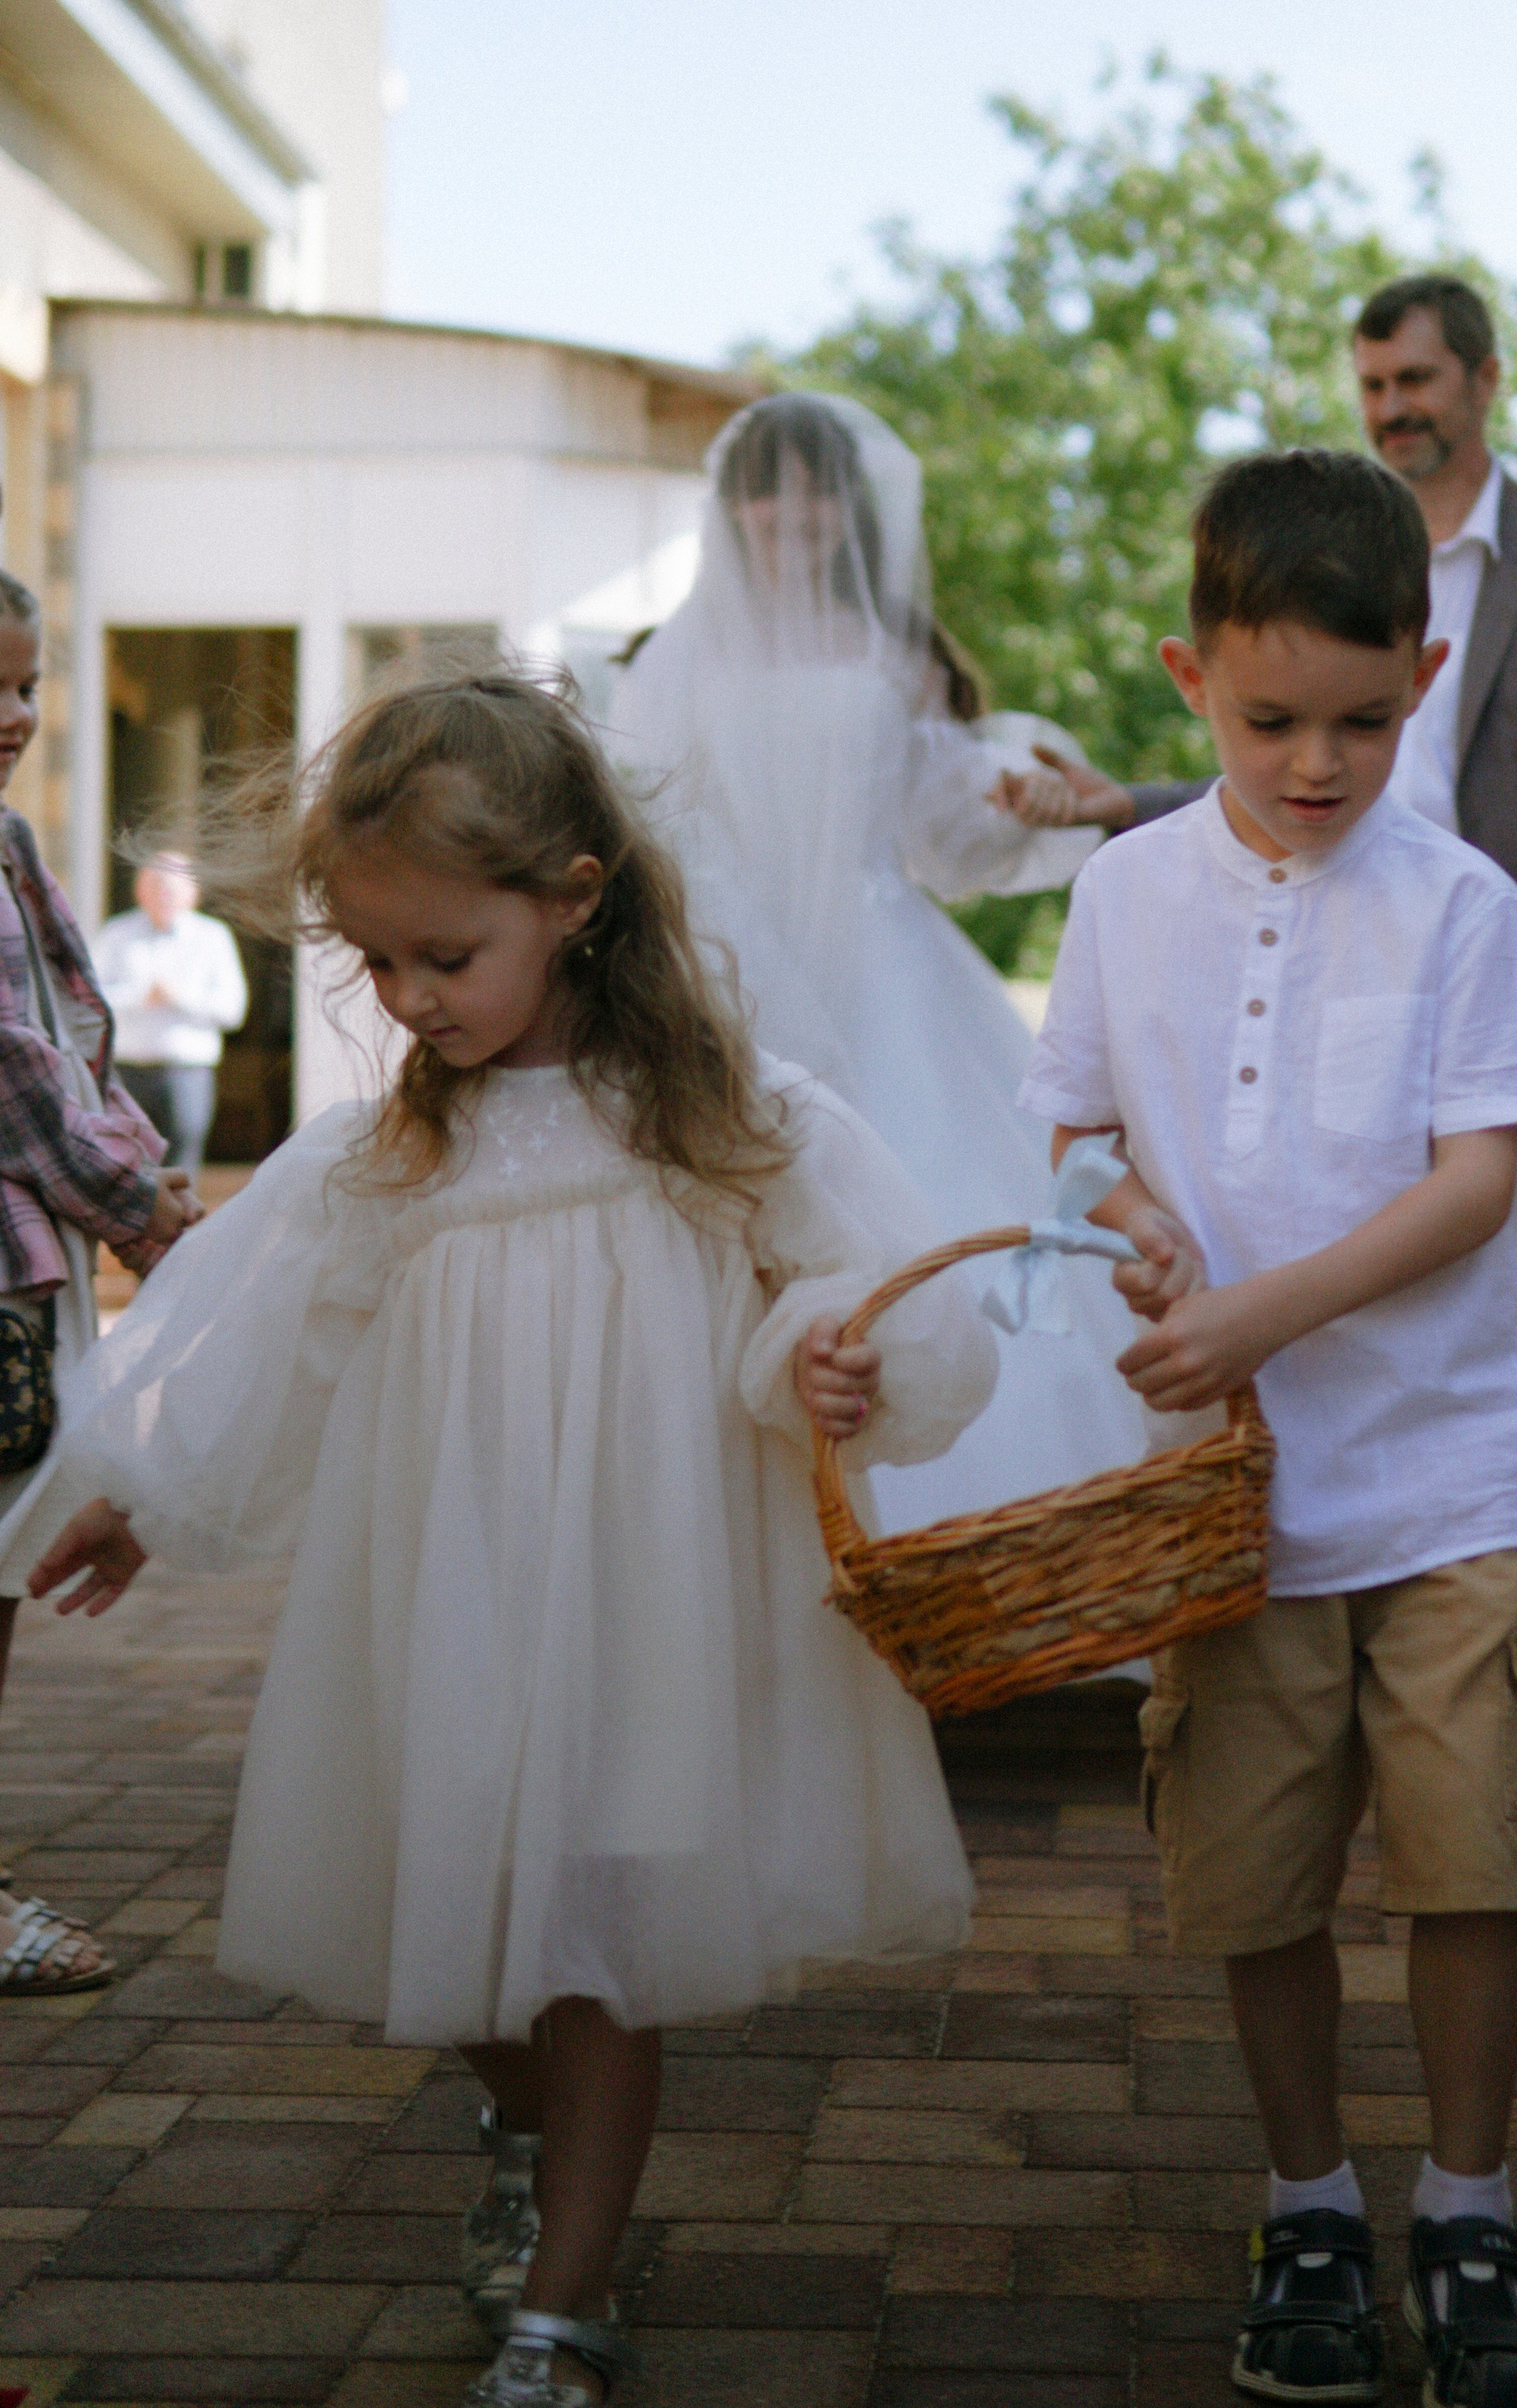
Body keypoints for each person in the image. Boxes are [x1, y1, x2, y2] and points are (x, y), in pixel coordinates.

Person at [4, 671, 993, 2408]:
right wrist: (146, 1496)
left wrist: (828, 1349)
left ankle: (567, 2300)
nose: (406, 998)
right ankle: (527, 2131)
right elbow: (276, 1334)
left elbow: (850, 1287)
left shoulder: (720, 1114)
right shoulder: (389, 1151)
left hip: (642, 1588)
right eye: (377, 962)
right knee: (447, 1918)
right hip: (444, 1590)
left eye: (444, 957)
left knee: (602, 1922)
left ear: (575, 897)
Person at [1023, 449, 1517, 2407]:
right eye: (1271, 721)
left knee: (1465, 1856)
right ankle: (1312, 2202)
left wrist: (1258, 1304)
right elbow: (1079, 1134)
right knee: (1257, 1871)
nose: (1317, 762)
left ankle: (1470, 2204)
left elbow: (1472, 1189)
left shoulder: (1464, 905)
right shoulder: (1122, 889)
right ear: (1191, 677)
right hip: (1236, 1495)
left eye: (1362, 719)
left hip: (1451, 1462)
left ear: (1423, 680)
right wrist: (1139, 1216)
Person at [1009, 275, 1517, 1794]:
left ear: (1477, 381)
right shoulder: (1313, 563)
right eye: (1371, 382)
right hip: (1298, 955)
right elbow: (1262, 746)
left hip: (1510, 979)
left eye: (1416, 379)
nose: (1393, 405)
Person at [611, 390, 1147, 1538]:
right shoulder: (671, 663)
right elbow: (642, 829)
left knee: (964, 1233)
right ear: (733, 508)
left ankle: (1002, 1552)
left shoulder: (894, 653)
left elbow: (943, 839)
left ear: (849, 506)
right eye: (769, 485)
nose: (793, 509)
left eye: (816, 485)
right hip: (740, 986)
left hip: (897, 977)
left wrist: (1017, 797)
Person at [0, 574, 201, 1999]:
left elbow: (76, 1041)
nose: (14, 718)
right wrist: (151, 1215)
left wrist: (142, 1181)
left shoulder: (10, 842)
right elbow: (18, 1081)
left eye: (26, 689)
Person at [94, 852, 248, 1175]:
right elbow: (89, 998)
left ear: (193, 893)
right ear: (140, 890)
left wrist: (180, 998)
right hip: (127, 1071)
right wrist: (139, 997)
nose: (164, 894)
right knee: (127, 1163)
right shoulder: (116, 934)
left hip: (187, 1072)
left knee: (182, 1167)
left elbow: (233, 1010)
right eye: (156, 886)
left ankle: (184, 1228)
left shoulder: (213, 937)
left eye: (172, 888)